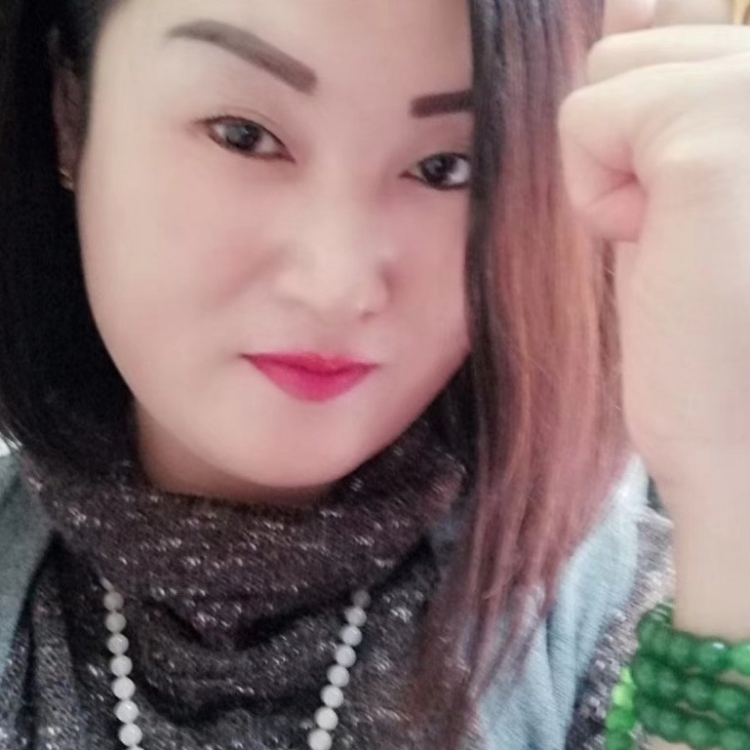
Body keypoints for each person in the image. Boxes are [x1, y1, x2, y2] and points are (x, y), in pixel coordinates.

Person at [3, 0, 746, 746]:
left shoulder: (631, 616)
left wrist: (726, 485)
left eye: (445, 167)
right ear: (70, 112)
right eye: (243, 135)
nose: (338, 284)